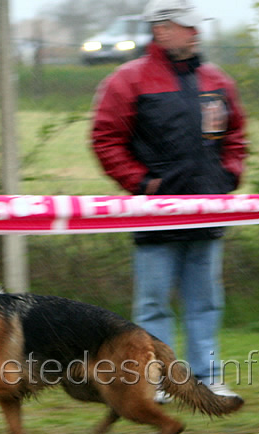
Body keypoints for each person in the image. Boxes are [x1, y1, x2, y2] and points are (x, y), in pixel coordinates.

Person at [90, 0, 247, 402]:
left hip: (208, 211)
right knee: (153, 303)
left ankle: (206, 376)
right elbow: (105, 138)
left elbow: (236, 137)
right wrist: (142, 182)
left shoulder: (218, 81)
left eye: (193, 27)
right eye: (184, 26)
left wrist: (228, 175)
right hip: (154, 213)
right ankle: (157, 378)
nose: (194, 33)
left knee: (206, 302)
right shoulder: (128, 80)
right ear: (160, 30)